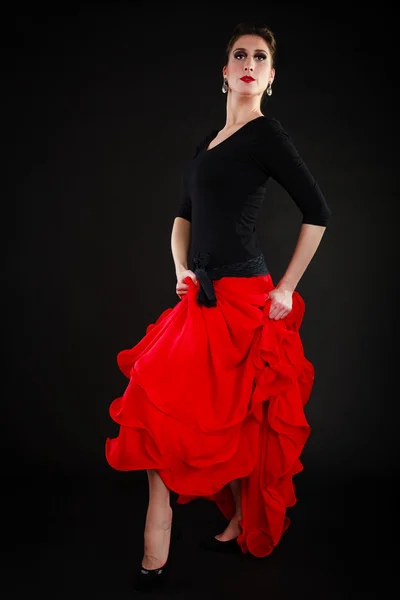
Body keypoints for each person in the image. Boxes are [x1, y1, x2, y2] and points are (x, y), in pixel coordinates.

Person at [105, 21, 332, 591]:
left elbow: (318, 213)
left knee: (241, 419)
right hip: (200, 297)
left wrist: (286, 288)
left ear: (271, 77)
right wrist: (181, 270)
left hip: (245, 300)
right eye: (240, 55)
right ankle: (183, 516)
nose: (249, 63)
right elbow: (182, 218)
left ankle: (190, 530)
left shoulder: (267, 135)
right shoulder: (209, 140)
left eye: (260, 57)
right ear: (225, 72)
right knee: (156, 399)